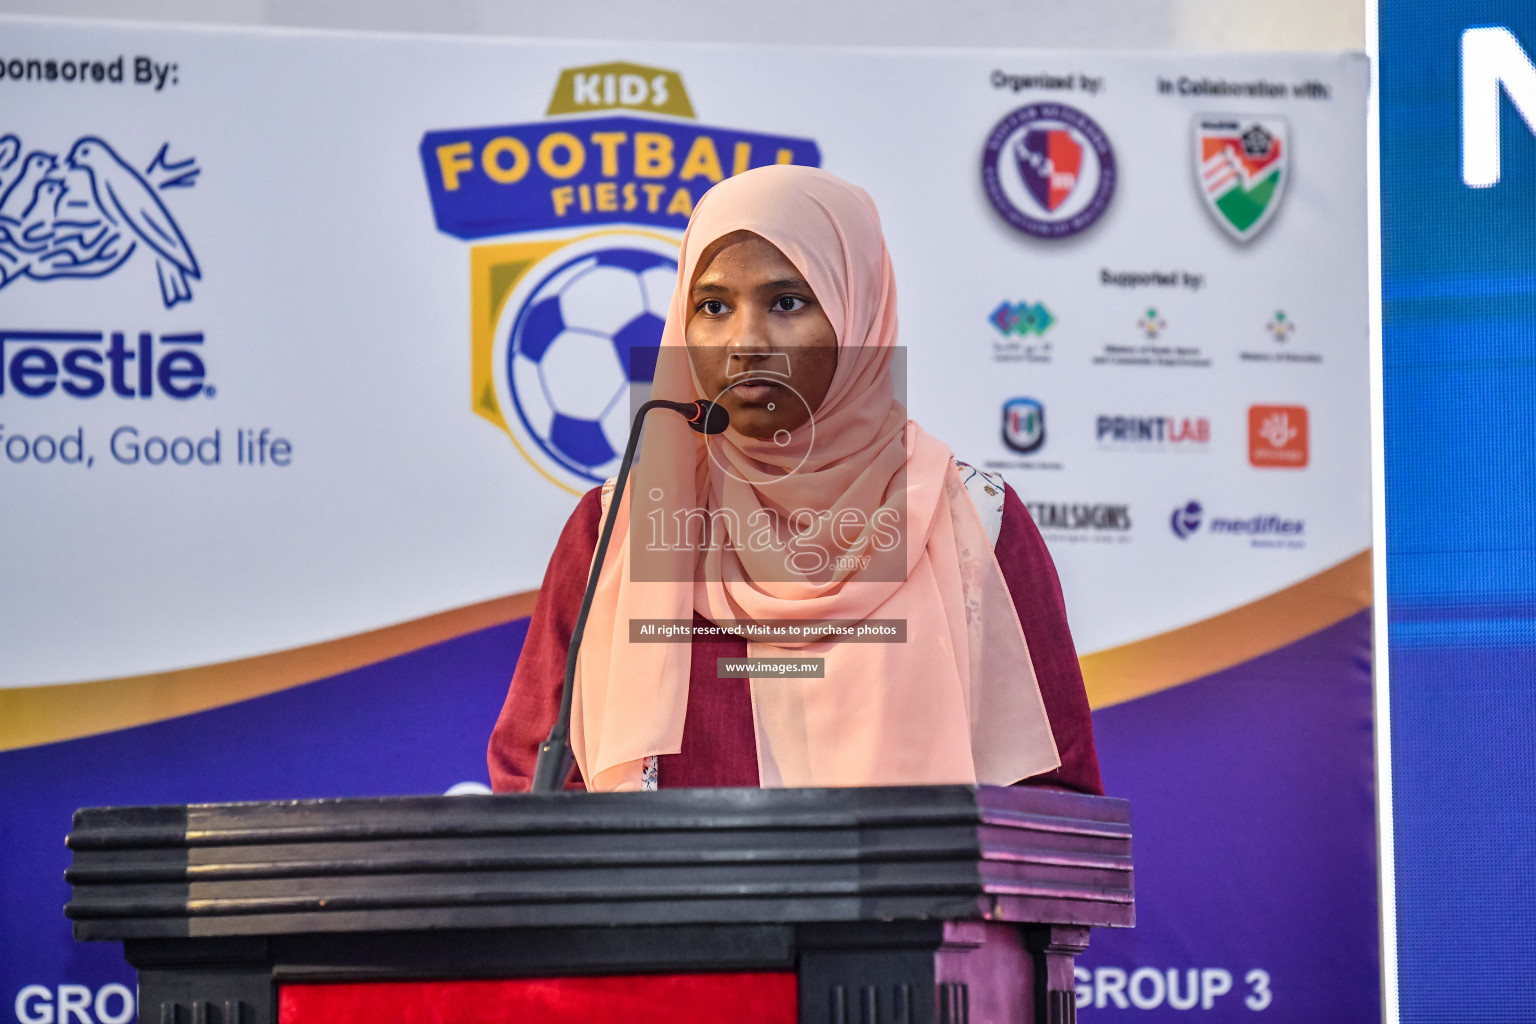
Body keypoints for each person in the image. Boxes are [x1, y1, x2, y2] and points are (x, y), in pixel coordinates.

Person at [489, 165, 1101, 795]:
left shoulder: (970, 519)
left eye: (786, 303)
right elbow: (530, 779)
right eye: (714, 306)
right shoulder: (615, 528)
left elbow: (1052, 803)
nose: (745, 341)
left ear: (860, 313)